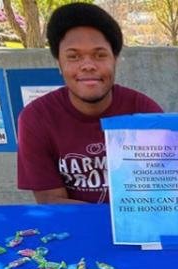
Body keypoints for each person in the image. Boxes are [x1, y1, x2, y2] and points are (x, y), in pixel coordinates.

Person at [17, 3, 163, 204]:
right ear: (59, 64)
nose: (88, 65)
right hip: (74, 228)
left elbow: (164, 191)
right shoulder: (36, 119)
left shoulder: (146, 113)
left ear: (115, 61)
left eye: (100, 55)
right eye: (73, 56)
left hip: (136, 228)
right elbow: (50, 199)